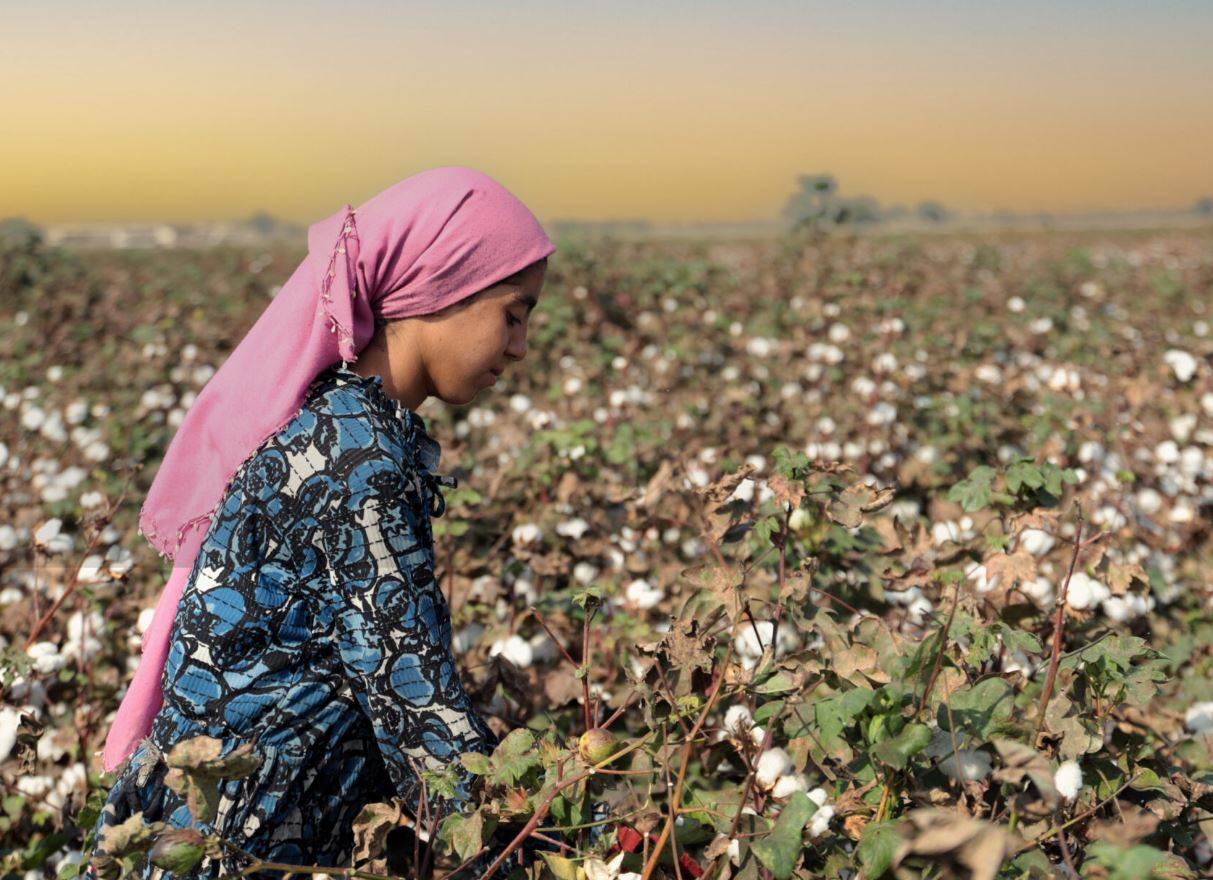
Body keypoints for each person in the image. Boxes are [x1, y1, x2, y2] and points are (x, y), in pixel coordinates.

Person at [87, 167, 559, 879]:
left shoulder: (345, 425)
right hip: (239, 847)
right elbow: (414, 704)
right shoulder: (355, 457)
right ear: (437, 289)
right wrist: (538, 848)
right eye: (512, 314)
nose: (520, 347)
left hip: (218, 834)